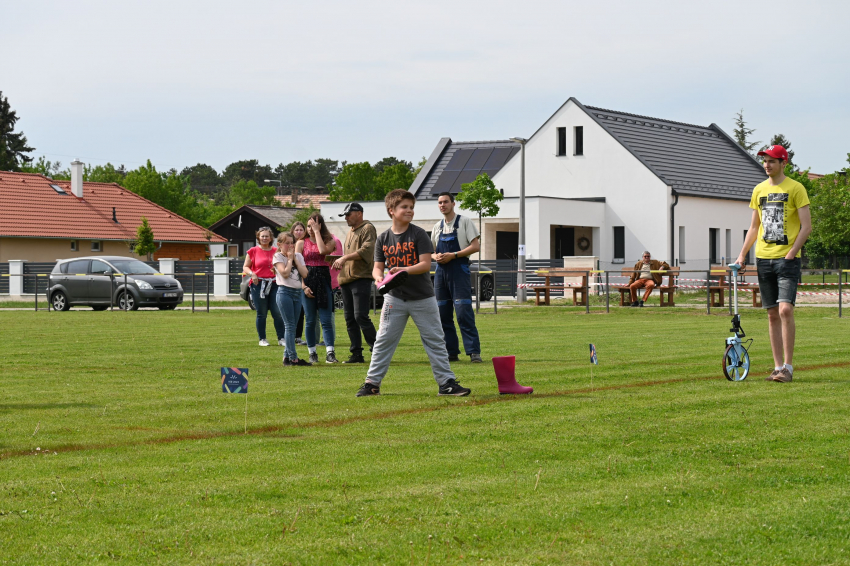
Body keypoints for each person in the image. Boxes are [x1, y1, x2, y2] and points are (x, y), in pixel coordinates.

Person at [356, 189, 471, 397]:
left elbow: (426, 265)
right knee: (383, 340)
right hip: (394, 298)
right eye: (404, 207)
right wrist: (378, 278)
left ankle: (446, 384)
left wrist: (403, 270)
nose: (410, 211)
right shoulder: (382, 238)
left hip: (423, 298)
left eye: (411, 207)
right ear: (391, 210)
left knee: (435, 339)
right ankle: (371, 384)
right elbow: (377, 267)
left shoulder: (418, 234)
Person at [735, 145, 811, 383]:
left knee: (785, 309)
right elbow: (755, 227)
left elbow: (806, 227)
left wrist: (791, 253)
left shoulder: (796, 188)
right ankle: (777, 367)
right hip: (764, 259)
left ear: (783, 163)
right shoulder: (758, 190)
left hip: (787, 260)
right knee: (771, 315)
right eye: (765, 161)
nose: (767, 165)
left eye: (772, 161)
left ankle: (788, 367)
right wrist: (742, 255)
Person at [430, 192, 483, 363]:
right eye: (439, 202)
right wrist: (434, 257)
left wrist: (454, 254)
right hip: (440, 273)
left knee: (463, 313)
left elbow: (475, 246)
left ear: (453, 203)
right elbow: (430, 251)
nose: (442, 205)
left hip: (459, 271)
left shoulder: (465, 222)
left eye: (445, 202)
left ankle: (474, 352)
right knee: (443, 314)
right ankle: (451, 352)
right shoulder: (437, 226)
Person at [333, 202, 378, 364]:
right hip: (346, 279)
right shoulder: (351, 232)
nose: (346, 218)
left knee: (361, 316)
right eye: (345, 215)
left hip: (361, 278)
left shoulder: (368, 228)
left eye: (348, 215)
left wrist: (344, 257)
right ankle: (356, 354)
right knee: (350, 318)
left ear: (359, 213)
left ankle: (377, 349)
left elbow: (367, 250)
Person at [296, 213, 340, 364]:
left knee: (326, 319)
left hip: (323, 280)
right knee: (310, 320)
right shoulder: (301, 244)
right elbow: (299, 266)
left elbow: (322, 251)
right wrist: (303, 286)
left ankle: (330, 353)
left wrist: (317, 232)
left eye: (313, 225)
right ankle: (312, 352)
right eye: (308, 226)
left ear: (320, 225)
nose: (309, 229)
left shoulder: (329, 241)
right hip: (308, 280)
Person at [272, 232, 311, 366]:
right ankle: (293, 358)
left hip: (297, 293)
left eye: (291, 243)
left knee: (293, 326)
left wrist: (294, 258)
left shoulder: (298, 256)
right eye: (287, 243)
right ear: (279, 244)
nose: (290, 246)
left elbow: (305, 273)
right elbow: (285, 273)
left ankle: (286, 357)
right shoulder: (278, 256)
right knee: (289, 326)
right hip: (284, 292)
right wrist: (289, 259)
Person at [243, 226, 286, 346]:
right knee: (261, 313)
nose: (264, 238)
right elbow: (245, 267)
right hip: (258, 285)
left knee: (277, 312)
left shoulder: (276, 251)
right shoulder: (253, 251)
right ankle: (262, 339)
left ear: (271, 238)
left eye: (267, 236)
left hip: (274, 283)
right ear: (258, 237)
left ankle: (281, 338)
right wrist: (252, 274)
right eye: (262, 236)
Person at [289, 222, 310, 346]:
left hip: (303, 278)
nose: (299, 232)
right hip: (290, 279)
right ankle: (287, 336)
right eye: (296, 230)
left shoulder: (306, 244)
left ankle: (298, 336)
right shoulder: (288, 244)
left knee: (301, 310)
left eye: (301, 229)